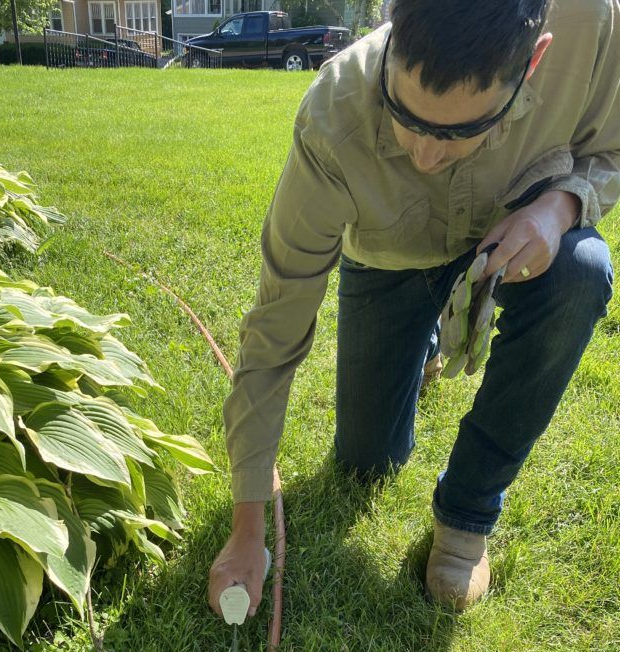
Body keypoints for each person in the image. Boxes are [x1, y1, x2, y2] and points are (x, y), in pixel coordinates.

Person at [208, 0, 618, 617]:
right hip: (390, 262)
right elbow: (276, 324)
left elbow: (611, 150)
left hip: (515, 233)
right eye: (405, 115)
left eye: (458, 131)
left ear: (534, 63)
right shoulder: (332, 115)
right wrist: (246, 528)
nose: (424, 156)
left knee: (581, 275)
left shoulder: (595, 21)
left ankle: (468, 513)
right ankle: (425, 340)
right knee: (366, 460)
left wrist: (559, 208)